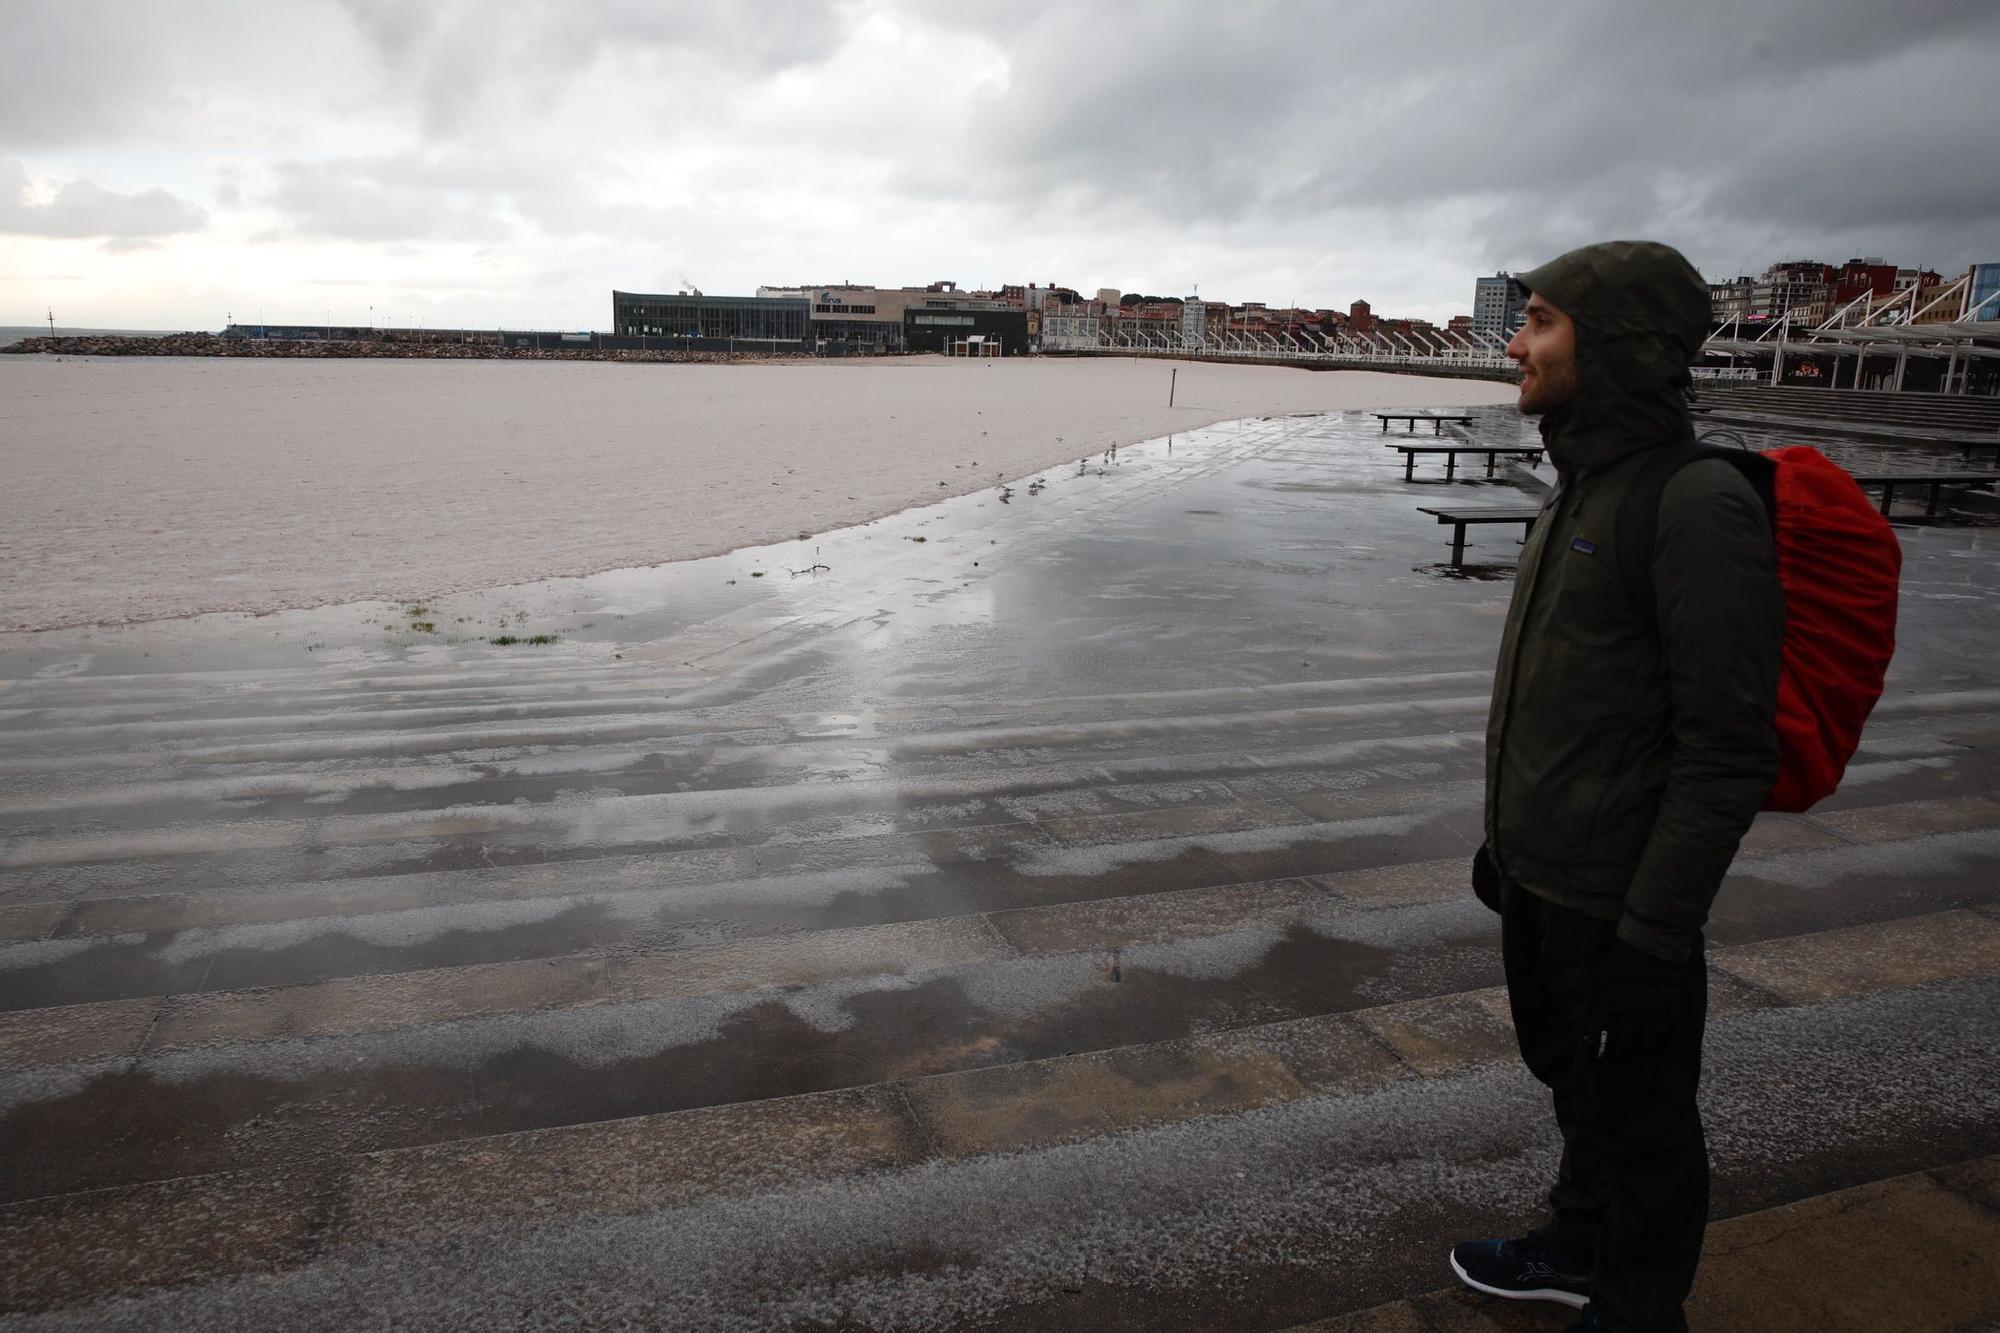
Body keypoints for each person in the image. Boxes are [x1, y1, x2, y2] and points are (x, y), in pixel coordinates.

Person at [1448, 240, 1785, 1333]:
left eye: (1540, 320)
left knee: (1643, 1115)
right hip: (1544, 873)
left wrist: (1653, 931)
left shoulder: (1692, 505)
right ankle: (1575, 1248)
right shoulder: (1580, 482)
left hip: (1623, 897)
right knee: (1577, 1085)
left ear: (1616, 348)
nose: (1514, 340)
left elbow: (1725, 745)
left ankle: (1638, 1309)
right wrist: (1509, 846)